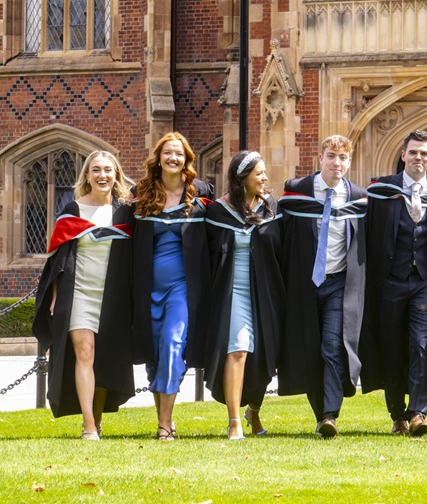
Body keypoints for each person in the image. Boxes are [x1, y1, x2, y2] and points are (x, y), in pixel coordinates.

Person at [32, 151, 136, 440]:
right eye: (96, 170)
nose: (102, 175)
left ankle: (98, 417)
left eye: (108, 170)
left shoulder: (124, 213)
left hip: (112, 295)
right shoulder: (73, 211)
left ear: (116, 175)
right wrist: (54, 295)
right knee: (85, 352)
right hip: (78, 292)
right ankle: (88, 424)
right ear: (87, 176)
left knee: (103, 357)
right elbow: (57, 259)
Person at [360, 130, 427, 436]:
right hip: (390, 280)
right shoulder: (381, 189)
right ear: (403, 155)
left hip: (426, 280)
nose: (418, 158)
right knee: (393, 347)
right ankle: (397, 413)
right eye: (413, 152)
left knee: (421, 345)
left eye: (424, 153)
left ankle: (418, 413)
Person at [278, 135, 367, 439]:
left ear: (349, 162)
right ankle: (320, 414)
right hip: (304, 283)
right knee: (308, 350)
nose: (336, 163)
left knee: (331, 346)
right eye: (331, 156)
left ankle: (330, 414)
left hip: (337, 283)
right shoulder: (297, 191)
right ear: (320, 158)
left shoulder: (357, 197)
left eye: (343, 158)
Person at [132, 132, 214, 441]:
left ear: (187, 159)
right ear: (158, 157)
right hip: (147, 286)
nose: (173, 158)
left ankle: (164, 425)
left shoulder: (200, 195)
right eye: (168, 152)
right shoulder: (140, 196)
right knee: (154, 353)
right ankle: (164, 418)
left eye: (179, 153)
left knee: (172, 344)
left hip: (183, 287)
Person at [204, 151, 284, 441]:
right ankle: (234, 421)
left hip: (264, 290)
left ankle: (254, 411)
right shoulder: (218, 212)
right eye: (259, 173)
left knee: (263, 355)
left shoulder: (271, 208)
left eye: (264, 173)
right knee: (238, 350)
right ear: (242, 178)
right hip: (232, 290)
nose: (264, 178)